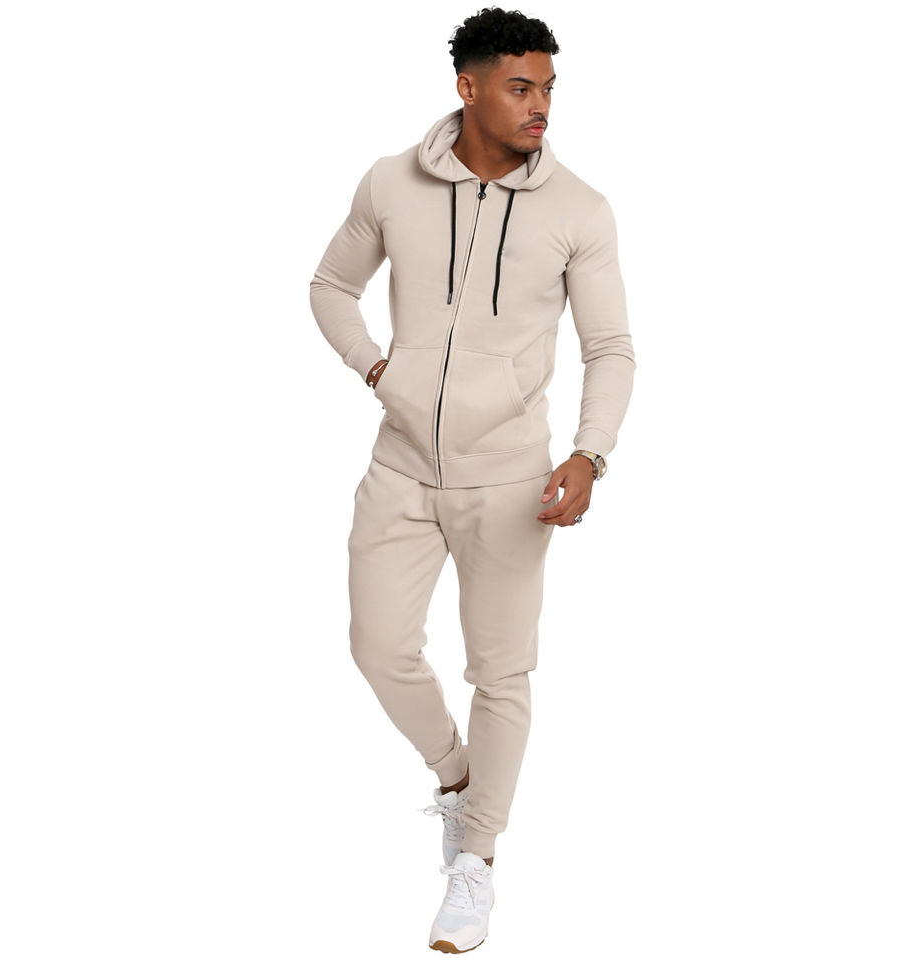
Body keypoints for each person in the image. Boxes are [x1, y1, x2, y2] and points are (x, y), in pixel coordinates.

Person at [308, 7, 635, 952]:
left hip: (510, 481)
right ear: (468, 87)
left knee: (502, 672)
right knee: (378, 645)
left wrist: (590, 452)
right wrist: (378, 370)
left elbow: (611, 347)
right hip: (401, 466)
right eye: (520, 87)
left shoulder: (580, 209)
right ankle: (458, 777)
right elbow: (330, 287)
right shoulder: (390, 181)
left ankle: (477, 861)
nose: (541, 107)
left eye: (549, 89)